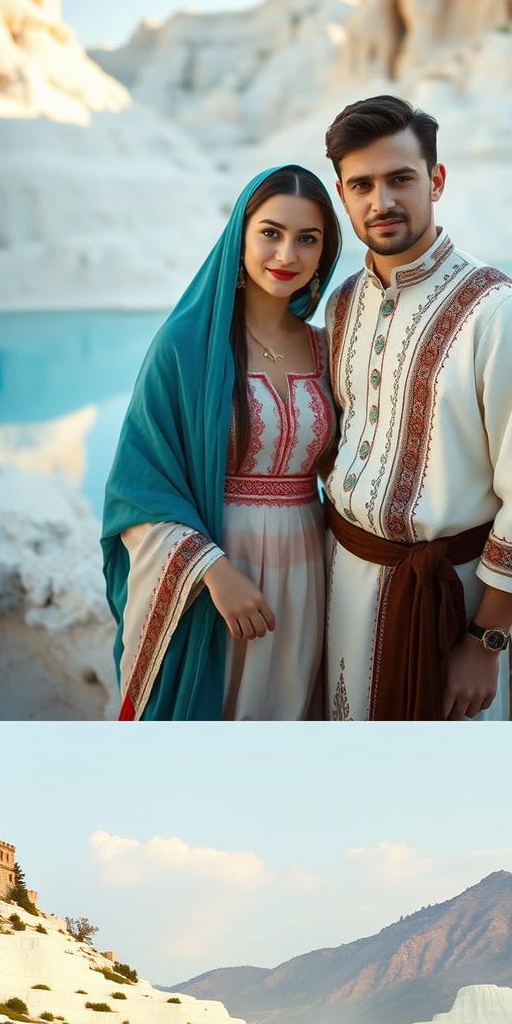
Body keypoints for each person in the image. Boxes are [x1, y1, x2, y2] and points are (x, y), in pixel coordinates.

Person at [320, 94, 512, 720]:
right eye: (362, 185)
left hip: (451, 603)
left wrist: (485, 642)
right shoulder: (344, 303)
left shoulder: (500, 313)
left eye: (401, 179)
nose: (382, 202)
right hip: (342, 589)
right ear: (343, 195)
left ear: (436, 180)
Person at [103, 164, 342, 720]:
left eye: (307, 239)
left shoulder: (330, 350)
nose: (287, 255)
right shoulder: (186, 348)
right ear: (240, 234)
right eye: (271, 232)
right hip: (216, 579)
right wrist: (212, 570)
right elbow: (137, 489)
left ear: (324, 253)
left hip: (309, 573)